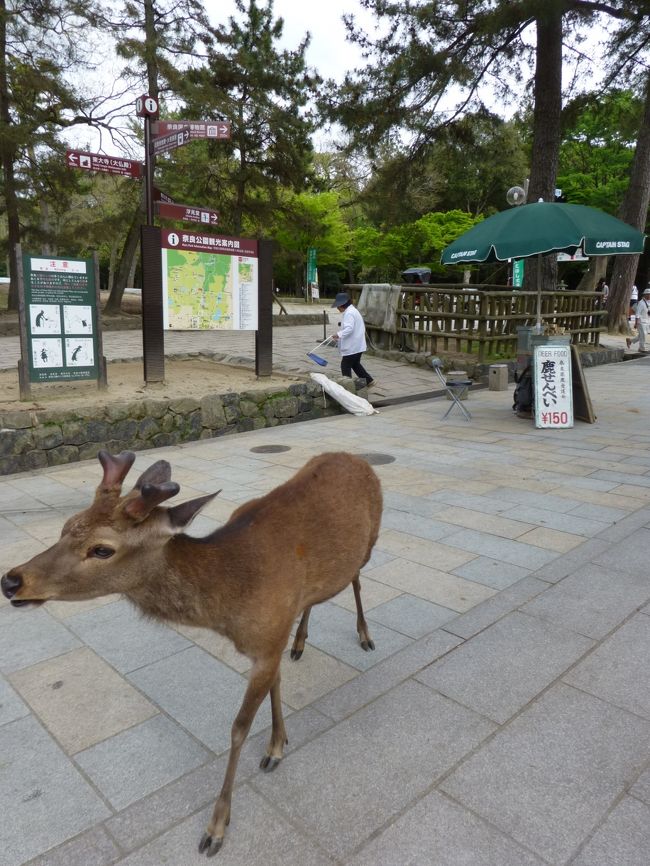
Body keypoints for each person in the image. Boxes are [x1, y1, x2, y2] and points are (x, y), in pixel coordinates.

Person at [330, 292, 376, 387]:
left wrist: (338, 335)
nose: (337, 308)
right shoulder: (353, 311)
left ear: (342, 305)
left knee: (345, 365)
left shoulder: (349, 313)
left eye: (338, 306)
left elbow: (349, 328)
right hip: (357, 344)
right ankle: (369, 380)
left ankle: (348, 386)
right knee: (355, 364)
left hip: (353, 346)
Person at [627, 286, 650, 353]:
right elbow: (637, 313)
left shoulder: (649, 302)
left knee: (641, 335)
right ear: (645, 295)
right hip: (640, 321)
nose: (649, 296)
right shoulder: (641, 303)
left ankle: (630, 341)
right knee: (643, 335)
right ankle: (641, 348)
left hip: (647, 321)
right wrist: (636, 323)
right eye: (648, 294)